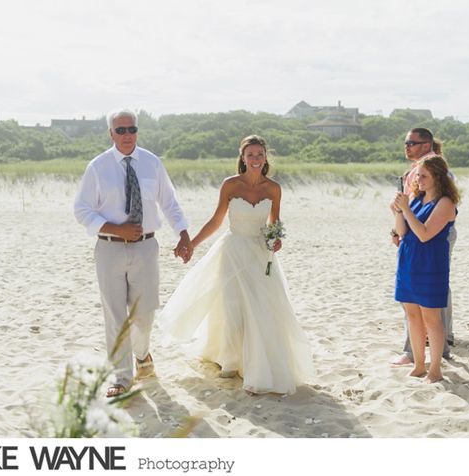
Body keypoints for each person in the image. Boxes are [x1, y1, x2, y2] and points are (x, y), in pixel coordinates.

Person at [158, 135, 314, 395]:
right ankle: (230, 361)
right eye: (250, 155)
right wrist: (192, 244)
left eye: (259, 155)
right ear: (242, 158)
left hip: (259, 254)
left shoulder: (273, 188)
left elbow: (274, 224)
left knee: (260, 307)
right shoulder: (230, 185)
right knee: (232, 306)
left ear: (266, 158)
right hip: (232, 251)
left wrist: (275, 241)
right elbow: (216, 220)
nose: (255, 159)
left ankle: (258, 364)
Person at [74, 108, 190, 398]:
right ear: (111, 133)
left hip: (147, 248)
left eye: (132, 129)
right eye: (121, 130)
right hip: (109, 249)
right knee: (115, 315)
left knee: (145, 313)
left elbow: (170, 203)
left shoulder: (152, 163)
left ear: (138, 131)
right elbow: (82, 209)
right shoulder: (97, 167)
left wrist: (183, 233)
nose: (127, 135)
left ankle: (142, 354)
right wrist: (114, 228)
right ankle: (122, 377)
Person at [391, 155, 459, 383]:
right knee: (412, 315)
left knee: (432, 317)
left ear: (437, 177)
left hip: (430, 264)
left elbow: (425, 233)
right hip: (408, 260)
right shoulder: (415, 199)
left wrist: (406, 210)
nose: (417, 179)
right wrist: (399, 211)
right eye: (417, 175)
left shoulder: (446, 203)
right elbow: (402, 232)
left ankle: (435, 369)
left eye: (423, 176)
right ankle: (419, 364)